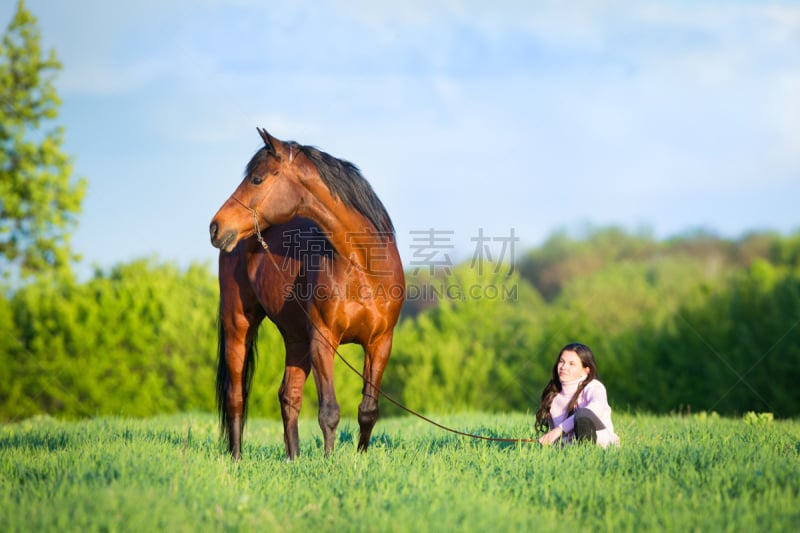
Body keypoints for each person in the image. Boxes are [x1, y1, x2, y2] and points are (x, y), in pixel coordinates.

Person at [535, 342, 620, 448]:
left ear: (586, 370)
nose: (563, 367)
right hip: (568, 450)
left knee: (583, 414)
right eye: (562, 362)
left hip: (602, 445)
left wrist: (560, 429)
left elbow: (596, 407)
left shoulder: (594, 387)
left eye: (571, 364)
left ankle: (588, 452)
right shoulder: (553, 394)